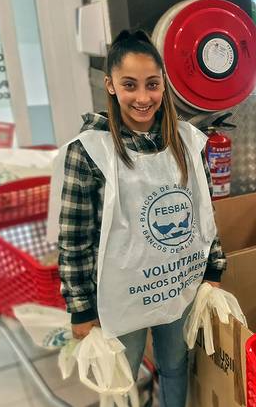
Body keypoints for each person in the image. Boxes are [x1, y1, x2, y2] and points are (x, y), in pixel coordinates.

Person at [49, 30, 226, 407]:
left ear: (164, 85)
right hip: (120, 295)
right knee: (122, 378)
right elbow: (74, 238)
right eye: (130, 85)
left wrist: (213, 270)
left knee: (176, 364)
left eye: (152, 85)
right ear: (110, 85)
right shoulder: (90, 152)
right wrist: (79, 308)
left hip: (176, 283)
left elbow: (203, 216)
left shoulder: (186, 142)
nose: (143, 97)